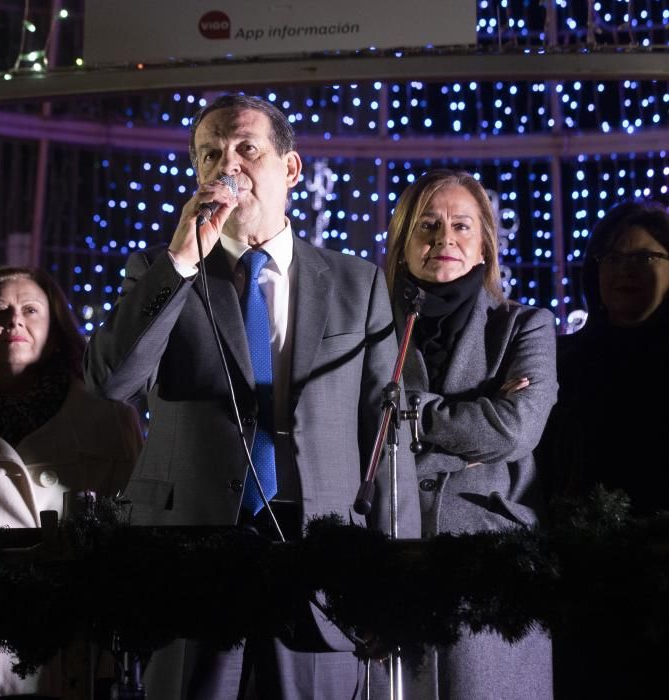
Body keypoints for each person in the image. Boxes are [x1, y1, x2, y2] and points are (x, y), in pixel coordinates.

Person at [84, 93, 421, 698]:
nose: (227, 167)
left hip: (321, 562)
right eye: (210, 155)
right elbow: (113, 381)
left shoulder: (357, 282)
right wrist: (182, 260)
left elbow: (383, 435)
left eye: (246, 148)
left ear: (291, 169)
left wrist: (393, 575)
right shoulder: (162, 271)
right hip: (190, 554)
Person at [0, 265, 142, 700]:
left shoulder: (112, 422)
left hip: (76, 651)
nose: (14, 320)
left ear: (56, 332)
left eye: (31, 310)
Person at [383, 170, 557, 700]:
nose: (444, 239)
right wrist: (467, 426)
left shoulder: (525, 325)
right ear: (403, 243)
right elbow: (356, 426)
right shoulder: (369, 328)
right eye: (428, 225)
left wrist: (406, 414)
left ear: (484, 245)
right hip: (388, 553)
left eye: (462, 225)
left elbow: (514, 430)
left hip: (493, 566)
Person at [541, 199, 669, 699]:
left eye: (645, 258)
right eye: (612, 259)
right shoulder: (565, 359)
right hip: (583, 582)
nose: (625, 271)